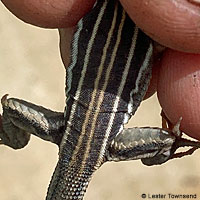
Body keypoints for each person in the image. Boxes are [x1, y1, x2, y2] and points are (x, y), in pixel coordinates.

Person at [1, 0, 200, 140]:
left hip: (81, 132)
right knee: (168, 139)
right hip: (98, 138)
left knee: (10, 107)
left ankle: (14, 138)